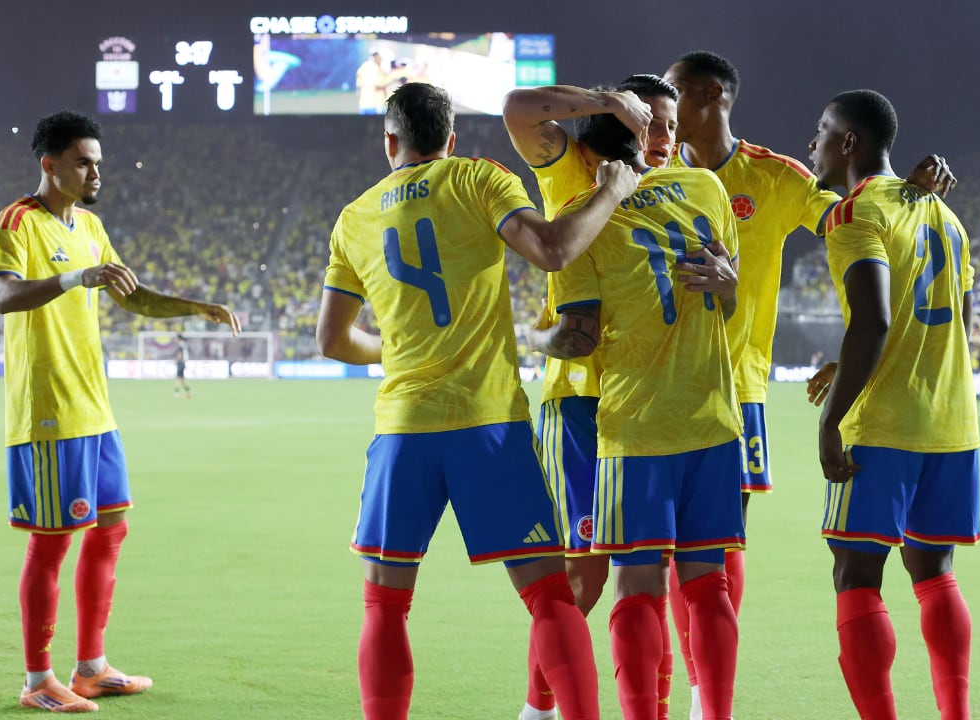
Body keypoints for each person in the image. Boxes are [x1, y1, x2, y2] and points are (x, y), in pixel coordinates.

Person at [315, 82, 639, 720]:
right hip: (488, 423)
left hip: (403, 427)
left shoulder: (354, 215)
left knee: (385, 602)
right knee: (549, 594)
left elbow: (331, 340)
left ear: (390, 141)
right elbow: (552, 248)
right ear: (451, 138)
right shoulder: (476, 178)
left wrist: (398, 349)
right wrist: (611, 190)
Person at [661, 50, 956, 715]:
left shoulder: (775, 177)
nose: (662, 105)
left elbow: (857, 220)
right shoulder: (652, 176)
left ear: (711, 95)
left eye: (673, 91)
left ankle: (708, 697)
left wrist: (907, 198)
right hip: (644, 389)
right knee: (645, 563)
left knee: (714, 548)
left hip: (733, 392)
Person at [0, 110, 241, 713]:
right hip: (47, 412)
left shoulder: (91, 226)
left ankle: (91, 667)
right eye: (83, 161)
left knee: (111, 528)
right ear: (49, 164)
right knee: (52, 545)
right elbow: (3, 296)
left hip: (95, 409)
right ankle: (36, 680)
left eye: (98, 161)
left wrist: (194, 307)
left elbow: (131, 294)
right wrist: (76, 276)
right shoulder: (16, 223)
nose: (96, 171)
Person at [529, 96, 743, 720]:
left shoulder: (582, 218)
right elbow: (723, 296)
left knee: (637, 588)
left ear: (591, 151)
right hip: (712, 416)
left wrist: (534, 336)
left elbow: (579, 338)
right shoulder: (705, 187)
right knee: (708, 586)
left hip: (634, 426)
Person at [503, 73, 680, 720]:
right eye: (651, 120)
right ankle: (540, 709)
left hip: (654, 401)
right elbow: (518, 108)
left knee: (648, 573)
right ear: (625, 118)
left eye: (672, 125)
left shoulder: (681, 187)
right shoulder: (572, 165)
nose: (663, 136)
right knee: (586, 573)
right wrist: (605, 100)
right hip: (581, 397)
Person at [805, 89, 980, 720]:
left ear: (849, 142)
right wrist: (843, 354)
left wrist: (832, 420)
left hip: (883, 425)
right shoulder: (945, 217)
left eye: (822, 131)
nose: (813, 143)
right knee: (934, 572)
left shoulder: (855, 212)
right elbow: (955, 323)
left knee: (856, 575)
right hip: (952, 423)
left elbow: (876, 321)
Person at [357, 50, 389, 115]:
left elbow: (359, 82)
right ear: (375, 57)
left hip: (364, 103)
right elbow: (380, 85)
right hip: (375, 104)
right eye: (379, 57)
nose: (380, 59)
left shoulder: (364, 66)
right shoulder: (373, 68)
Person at [173, 334, 191, 398]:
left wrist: (176, 360)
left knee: (177, 378)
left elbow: (179, 354)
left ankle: (177, 393)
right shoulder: (184, 345)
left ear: (179, 338)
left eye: (176, 338)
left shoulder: (180, 345)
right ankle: (188, 392)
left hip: (180, 363)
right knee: (182, 379)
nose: (176, 340)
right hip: (183, 363)